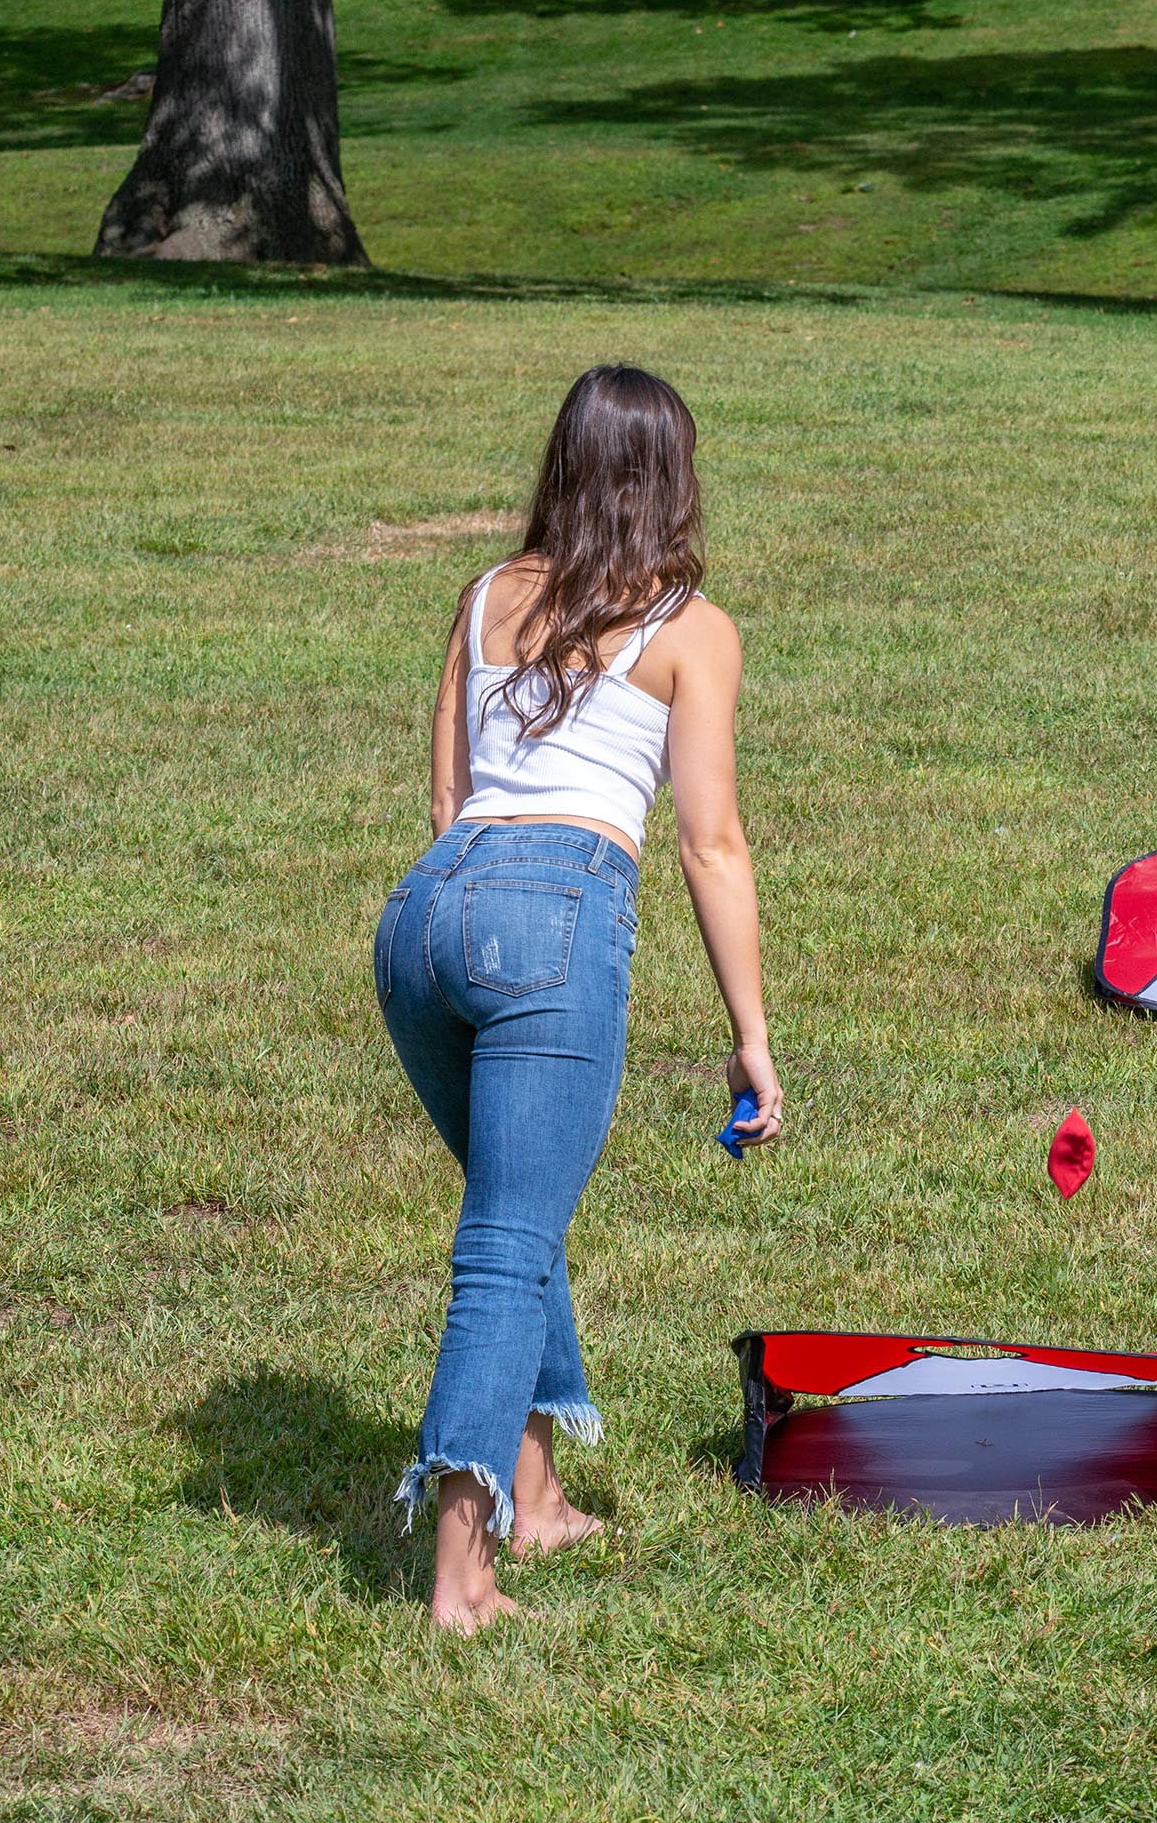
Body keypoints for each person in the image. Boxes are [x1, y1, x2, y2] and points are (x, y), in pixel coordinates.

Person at [372, 364, 783, 1632]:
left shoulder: (489, 592)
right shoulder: (692, 627)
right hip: (554, 917)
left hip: (424, 920)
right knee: (502, 1247)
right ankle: (460, 1573)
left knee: (516, 1206)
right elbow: (710, 843)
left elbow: (446, 801)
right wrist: (751, 1035)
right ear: (673, 478)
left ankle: (537, 1492)